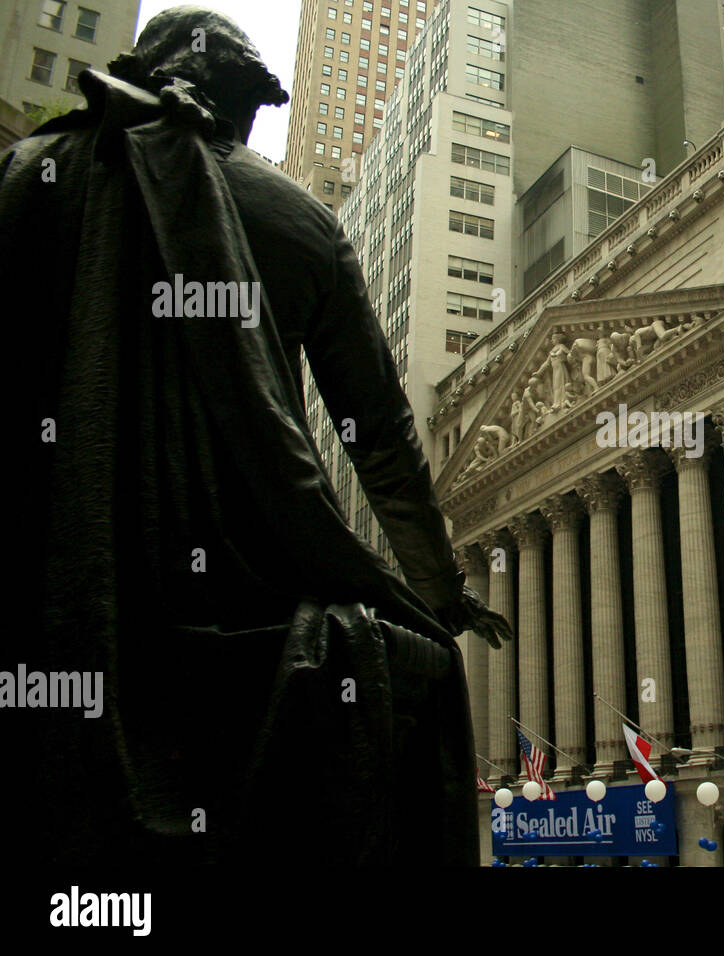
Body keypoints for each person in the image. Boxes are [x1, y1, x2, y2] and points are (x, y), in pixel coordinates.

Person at [0, 6, 510, 866]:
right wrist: (439, 593)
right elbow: (379, 441)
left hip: (54, 579)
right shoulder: (302, 219)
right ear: (243, 108)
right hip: (238, 594)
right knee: (426, 674)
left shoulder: (24, 175)